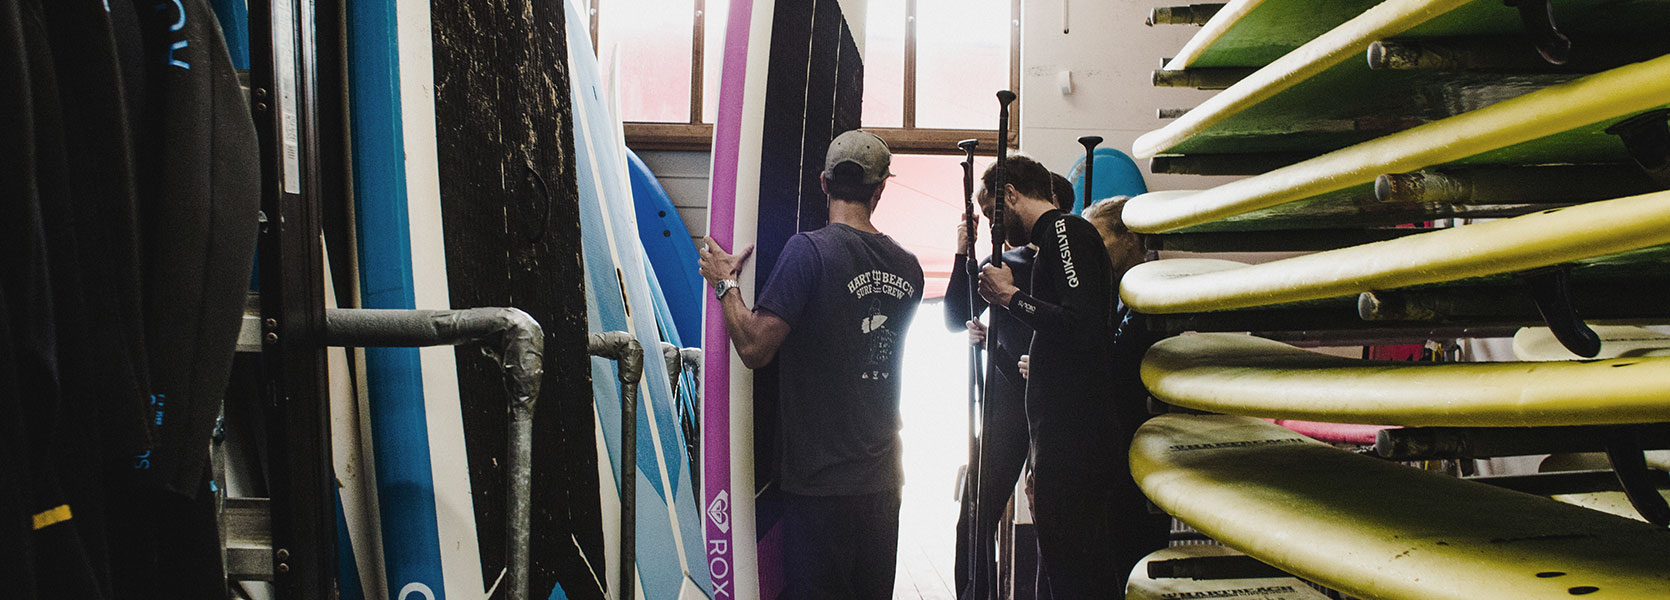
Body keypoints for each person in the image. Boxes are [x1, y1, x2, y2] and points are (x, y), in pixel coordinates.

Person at [698, 129, 925, 599]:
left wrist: (726, 285)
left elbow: (756, 348)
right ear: (880, 188)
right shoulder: (910, 268)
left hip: (819, 490)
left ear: (824, 183)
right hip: (882, 485)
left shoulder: (809, 252)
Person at [976, 156, 1169, 597]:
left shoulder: (1065, 231)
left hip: (1075, 441)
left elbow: (1079, 325)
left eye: (993, 213)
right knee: (1069, 571)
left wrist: (1010, 298)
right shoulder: (1056, 239)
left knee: (1076, 575)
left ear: (1011, 194)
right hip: (1061, 439)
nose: (993, 226)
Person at [945, 172, 1074, 599]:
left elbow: (1081, 335)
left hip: (1057, 410)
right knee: (975, 516)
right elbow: (953, 316)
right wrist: (965, 251)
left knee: (1055, 522)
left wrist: (1047, 363)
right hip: (1007, 407)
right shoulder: (1005, 264)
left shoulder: (1072, 266)